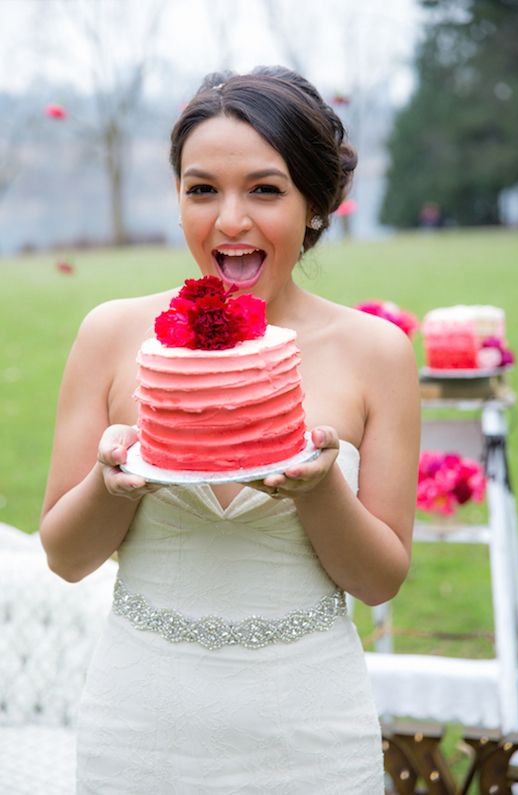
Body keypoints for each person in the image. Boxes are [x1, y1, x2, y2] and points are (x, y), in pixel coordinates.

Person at [40, 66, 420, 794]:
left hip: (309, 728)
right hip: (140, 726)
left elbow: (380, 580)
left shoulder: (376, 352)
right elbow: (64, 555)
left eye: (265, 189)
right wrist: (112, 484)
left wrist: (317, 489)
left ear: (316, 206)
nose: (230, 220)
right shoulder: (116, 335)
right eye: (202, 188)